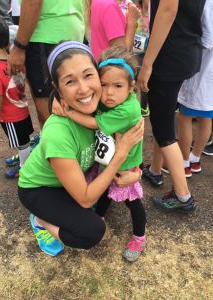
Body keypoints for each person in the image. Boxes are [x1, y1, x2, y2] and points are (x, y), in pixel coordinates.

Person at [18, 41, 144, 257]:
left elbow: (126, 147)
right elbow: (86, 197)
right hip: (41, 188)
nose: (84, 89)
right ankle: (40, 220)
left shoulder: (101, 109)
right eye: (70, 81)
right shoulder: (59, 132)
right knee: (91, 231)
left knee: (104, 200)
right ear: (58, 89)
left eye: (88, 75)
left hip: (73, 179)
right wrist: (120, 156)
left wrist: (136, 172)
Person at [62, 46, 146, 262]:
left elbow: (93, 122)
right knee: (104, 189)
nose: (109, 93)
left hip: (125, 165)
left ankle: (139, 236)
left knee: (132, 202)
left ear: (130, 87)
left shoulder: (127, 109)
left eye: (117, 86)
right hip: (107, 159)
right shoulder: (110, 100)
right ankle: (98, 215)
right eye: (104, 84)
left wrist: (68, 111)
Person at [138, 0, 206, 213]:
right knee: (165, 116)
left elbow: (168, 8)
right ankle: (156, 170)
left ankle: (183, 196)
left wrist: (147, 64)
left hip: (169, 55)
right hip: (186, 50)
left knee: (163, 128)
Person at [8, 0, 85, 129]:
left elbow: (33, 3)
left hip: (46, 35)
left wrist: (19, 47)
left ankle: (64, 145)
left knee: (49, 107)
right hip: (70, 28)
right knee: (69, 99)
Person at [0, 16, 33, 179]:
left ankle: (25, 167)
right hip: (23, 110)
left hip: (11, 116)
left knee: (22, 144)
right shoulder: (15, 62)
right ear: (8, 43)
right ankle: (25, 160)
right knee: (24, 141)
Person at [177, 0, 213, 177]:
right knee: (206, 116)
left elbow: (207, 38)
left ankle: (184, 163)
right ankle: (195, 159)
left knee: (184, 116)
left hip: (203, 68)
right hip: (209, 74)